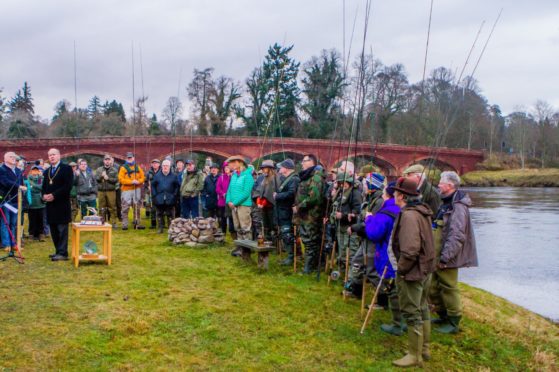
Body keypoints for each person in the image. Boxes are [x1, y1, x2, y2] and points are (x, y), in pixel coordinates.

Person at [390, 177, 436, 367]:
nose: (393, 194)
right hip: (425, 270)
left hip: (413, 272)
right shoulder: (421, 211)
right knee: (422, 308)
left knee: (412, 312)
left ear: (401, 196)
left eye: (395, 192)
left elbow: (410, 250)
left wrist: (401, 270)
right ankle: (423, 349)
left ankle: (414, 355)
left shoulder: (409, 216)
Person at [430, 171, 478, 334]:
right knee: (433, 287)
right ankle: (442, 315)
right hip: (437, 255)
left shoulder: (458, 206)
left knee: (449, 287)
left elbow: (457, 235)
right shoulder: (446, 202)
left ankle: (453, 321)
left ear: (449, 185)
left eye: (441, 183)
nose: (438, 185)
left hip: (447, 256)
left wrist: (445, 257)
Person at [293, 154, 325, 273]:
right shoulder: (308, 176)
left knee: (310, 240)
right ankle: (314, 264)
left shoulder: (316, 177)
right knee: (307, 240)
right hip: (304, 215)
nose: (302, 163)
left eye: (304, 161)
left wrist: (299, 206)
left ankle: (309, 268)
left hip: (311, 215)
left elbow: (314, 198)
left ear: (311, 162)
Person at [41, 148, 74, 261]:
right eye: (50, 155)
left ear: (59, 156)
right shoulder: (47, 171)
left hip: (62, 204)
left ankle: (63, 253)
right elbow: (44, 187)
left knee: (62, 230)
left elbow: (67, 186)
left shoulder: (66, 169)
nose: (52, 157)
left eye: (54, 154)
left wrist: (54, 195)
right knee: (54, 230)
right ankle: (58, 251)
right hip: (50, 206)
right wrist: (44, 196)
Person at [330, 173, 362, 283]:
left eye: (343, 183)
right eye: (340, 183)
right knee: (342, 251)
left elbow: (357, 212)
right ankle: (341, 273)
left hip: (350, 227)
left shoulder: (355, 193)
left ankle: (351, 278)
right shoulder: (339, 192)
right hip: (340, 225)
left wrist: (343, 215)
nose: (341, 185)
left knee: (351, 252)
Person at [273, 159, 300, 265]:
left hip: (288, 211)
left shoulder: (294, 179)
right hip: (282, 211)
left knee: (288, 234)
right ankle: (290, 256)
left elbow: (291, 193)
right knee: (285, 234)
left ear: (287, 168)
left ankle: (291, 257)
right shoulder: (287, 178)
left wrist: (277, 196)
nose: (280, 168)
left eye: (282, 167)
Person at [0, 152, 27, 252]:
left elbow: (21, 183)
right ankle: (6, 244)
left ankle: (13, 243)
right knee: (5, 222)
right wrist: (19, 186)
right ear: (5, 158)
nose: (13, 158)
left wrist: (23, 189)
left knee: (14, 223)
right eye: (10, 157)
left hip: (17, 200)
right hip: (6, 200)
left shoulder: (18, 170)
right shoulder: (1, 169)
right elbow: (5, 182)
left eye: (14, 157)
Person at [225, 155, 254, 243]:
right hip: (233, 205)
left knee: (245, 227)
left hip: (244, 205)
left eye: (230, 163)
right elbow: (229, 189)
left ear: (238, 163)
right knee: (237, 227)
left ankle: (247, 248)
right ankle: (240, 246)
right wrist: (229, 201)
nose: (229, 165)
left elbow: (246, 193)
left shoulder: (248, 176)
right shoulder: (234, 175)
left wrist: (235, 203)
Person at [118, 152, 145, 230]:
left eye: (131, 157)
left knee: (137, 207)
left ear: (134, 158)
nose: (130, 159)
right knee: (125, 207)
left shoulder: (138, 167)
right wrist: (131, 182)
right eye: (128, 158)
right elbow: (121, 179)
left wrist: (138, 181)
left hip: (136, 189)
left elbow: (143, 177)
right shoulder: (123, 168)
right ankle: (124, 224)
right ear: (126, 159)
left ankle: (137, 222)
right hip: (126, 190)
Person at [151, 159, 180, 233]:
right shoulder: (157, 176)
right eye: (164, 166)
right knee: (159, 213)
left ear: (169, 167)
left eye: (167, 166)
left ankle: (171, 228)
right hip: (159, 198)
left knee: (170, 214)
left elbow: (177, 186)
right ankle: (160, 228)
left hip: (170, 198)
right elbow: (153, 185)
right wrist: (155, 195)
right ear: (161, 166)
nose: (165, 167)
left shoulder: (174, 176)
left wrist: (174, 195)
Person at [255, 160, 279, 242]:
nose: (263, 170)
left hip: (271, 207)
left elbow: (270, 193)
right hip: (264, 207)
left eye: (265, 168)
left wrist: (264, 203)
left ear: (269, 169)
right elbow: (259, 191)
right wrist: (258, 201)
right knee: (266, 225)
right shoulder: (264, 178)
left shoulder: (275, 178)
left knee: (273, 225)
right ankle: (268, 241)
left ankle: (275, 242)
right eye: (263, 168)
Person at [95, 155, 119, 227]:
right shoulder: (99, 169)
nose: (107, 161)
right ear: (103, 161)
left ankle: (113, 223)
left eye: (108, 160)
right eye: (106, 160)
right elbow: (96, 179)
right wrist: (101, 176)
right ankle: (102, 222)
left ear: (110, 161)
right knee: (101, 207)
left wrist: (108, 178)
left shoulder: (114, 170)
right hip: (101, 191)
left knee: (112, 207)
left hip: (111, 191)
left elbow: (116, 180)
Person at [216, 162, 236, 239]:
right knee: (223, 218)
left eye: (228, 167)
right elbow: (217, 188)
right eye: (225, 168)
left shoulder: (234, 177)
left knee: (231, 217)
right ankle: (223, 233)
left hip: (231, 201)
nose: (226, 169)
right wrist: (223, 194)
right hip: (222, 201)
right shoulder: (221, 177)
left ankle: (233, 233)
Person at [27, 165, 46, 241]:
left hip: (40, 202)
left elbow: (41, 187)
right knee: (32, 219)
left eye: (36, 170)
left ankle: (40, 234)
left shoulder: (41, 178)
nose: (35, 172)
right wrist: (36, 188)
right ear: (31, 171)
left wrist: (33, 186)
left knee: (40, 219)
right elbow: (29, 189)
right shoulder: (28, 178)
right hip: (31, 202)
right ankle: (31, 234)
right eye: (33, 170)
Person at [146, 159, 161, 228]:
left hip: (159, 192)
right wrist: (147, 186)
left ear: (159, 164)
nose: (154, 164)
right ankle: (153, 223)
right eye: (153, 163)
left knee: (160, 207)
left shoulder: (161, 172)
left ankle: (161, 223)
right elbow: (145, 181)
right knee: (152, 208)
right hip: (152, 192)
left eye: (156, 163)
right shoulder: (148, 172)